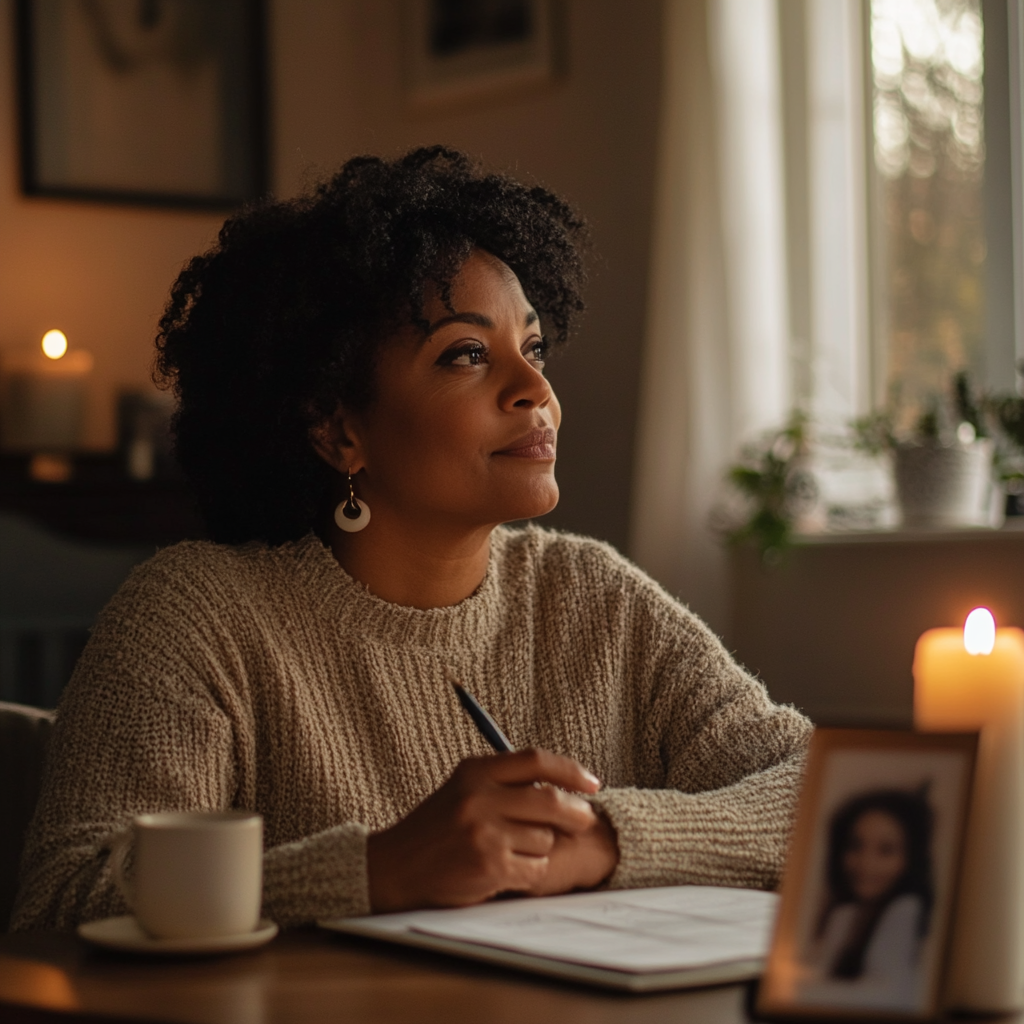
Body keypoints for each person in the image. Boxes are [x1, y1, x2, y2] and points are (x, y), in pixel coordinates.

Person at [11, 147, 812, 932]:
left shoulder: (593, 597)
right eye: (467, 354)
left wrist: (606, 841)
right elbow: (64, 898)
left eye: (531, 347)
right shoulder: (196, 618)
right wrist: (378, 869)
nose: (536, 390)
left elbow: (823, 786)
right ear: (336, 429)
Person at [802, 788, 934, 1009]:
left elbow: (888, 994)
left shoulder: (907, 909)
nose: (866, 864)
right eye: (855, 846)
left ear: (911, 858)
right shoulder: (844, 915)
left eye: (886, 851)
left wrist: (796, 991)